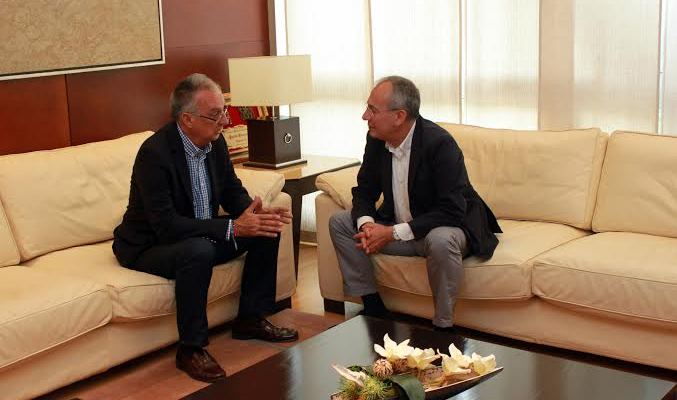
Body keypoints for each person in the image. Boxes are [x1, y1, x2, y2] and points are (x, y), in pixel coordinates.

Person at [113, 73, 298, 383]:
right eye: (215, 115)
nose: (224, 121)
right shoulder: (155, 154)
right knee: (198, 251)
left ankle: (251, 319)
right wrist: (231, 228)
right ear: (187, 119)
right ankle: (191, 349)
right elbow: (166, 226)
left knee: (264, 229)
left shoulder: (215, 141)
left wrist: (253, 213)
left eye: (223, 112)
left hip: (198, 234)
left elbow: (231, 190)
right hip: (151, 245)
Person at [329, 76, 501, 331]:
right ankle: (373, 308)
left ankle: (443, 326)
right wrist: (367, 226)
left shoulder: (439, 143)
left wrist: (391, 233)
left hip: (443, 227)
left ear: (399, 116)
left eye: (373, 110)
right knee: (340, 223)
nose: (365, 116)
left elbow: (452, 210)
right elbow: (364, 190)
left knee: (441, 240)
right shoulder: (376, 140)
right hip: (399, 227)